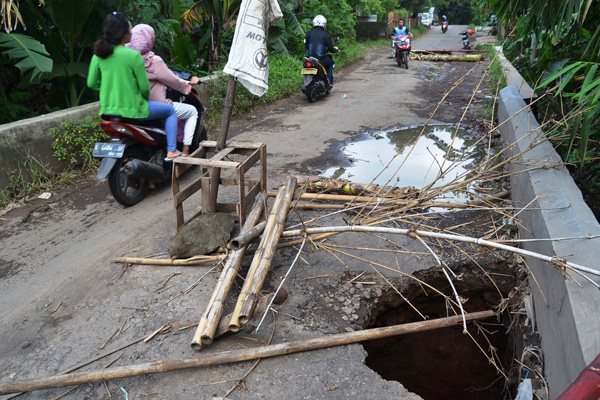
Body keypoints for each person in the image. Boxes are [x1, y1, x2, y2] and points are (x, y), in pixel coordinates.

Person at [87, 12, 182, 161]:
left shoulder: (98, 55)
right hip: (134, 110)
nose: (132, 32)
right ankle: (172, 151)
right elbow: (144, 88)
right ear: (124, 34)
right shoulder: (133, 56)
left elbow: (92, 83)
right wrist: (140, 99)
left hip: (107, 112)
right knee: (170, 111)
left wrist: (109, 88)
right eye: (130, 29)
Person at [126, 24, 200, 156]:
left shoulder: (126, 60)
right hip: (153, 106)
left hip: (130, 107)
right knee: (192, 111)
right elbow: (173, 81)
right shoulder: (152, 61)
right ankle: (185, 151)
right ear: (149, 40)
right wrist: (189, 84)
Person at [305, 15, 339, 86]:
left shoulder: (309, 33)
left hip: (310, 59)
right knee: (330, 63)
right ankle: (329, 81)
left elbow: (307, 46)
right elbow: (330, 48)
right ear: (324, 24)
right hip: (321, 59)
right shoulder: (326, 35)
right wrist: (335, 49)